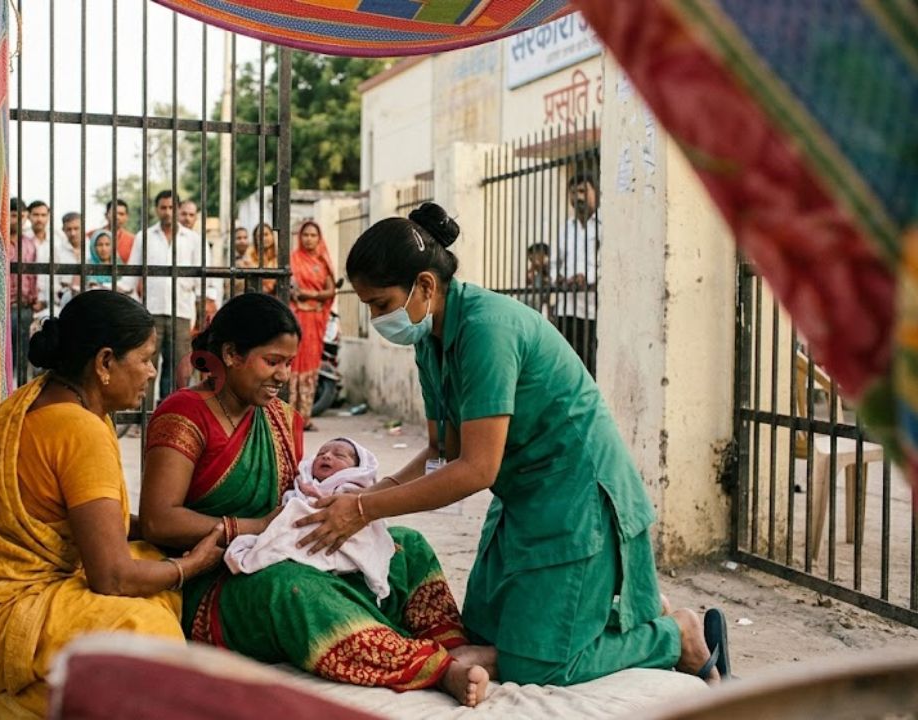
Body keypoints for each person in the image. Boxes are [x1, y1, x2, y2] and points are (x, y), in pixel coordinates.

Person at [297, 202, 728, 688]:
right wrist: (367, 496)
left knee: (537, 667)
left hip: (576, 497)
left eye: (381, 304)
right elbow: (442, 451)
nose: (377, 318)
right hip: (522, 498)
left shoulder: (488, 330)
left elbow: (475, 469)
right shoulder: (429, 340)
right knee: (480, 634)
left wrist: (363, 510)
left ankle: (676, 635)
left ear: (425, 286)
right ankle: (601, 616)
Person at [140, 292, 493, 707]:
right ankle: (434, 668)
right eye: (272, 362)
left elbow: (294, 496)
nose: (283, 375)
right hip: (218, 579)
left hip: (282, 551)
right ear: (232, 354)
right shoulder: (185, 414)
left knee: (405, 546)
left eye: (288, 363)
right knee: (294, 590)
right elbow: (158, 521)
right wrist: (254, 527)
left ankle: (451, 645)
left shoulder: (280, 417)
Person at [0, 290, 226, 719]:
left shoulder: (43, 398)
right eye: (145, 358)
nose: (152, 371)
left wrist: (164, 533)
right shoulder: (80, 429)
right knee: (151, 634)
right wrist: (191, 565)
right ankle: (2, 706)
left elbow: (89, 523)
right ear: (104, 362)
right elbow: (112, 577)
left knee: (151, 572)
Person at [224, 437, 394, 603]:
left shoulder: (354, 488)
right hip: (303, 534)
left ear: (357, 469)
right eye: (321, 454)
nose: (326, 456)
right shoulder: (303, 486)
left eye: (339, 455)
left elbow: (361, 517)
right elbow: (288, 511)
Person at [124, 190, 202, 403]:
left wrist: (205, 303)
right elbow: (131, 274)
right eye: (163, 208)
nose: (167, 212)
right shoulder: (144, 237)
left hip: (182, 311)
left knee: (178, 368)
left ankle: (173, 412)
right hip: (151, 312)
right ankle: (144, 414)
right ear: (156, 209)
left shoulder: (193, 240)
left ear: (178, 209)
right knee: (145, 366)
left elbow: (203, 277)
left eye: (171, 207)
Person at [289, 220, 336, 429]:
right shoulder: (293, 260)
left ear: (319, 238)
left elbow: (331, 290)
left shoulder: (323, 262)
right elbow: (289, 288)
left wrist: (310, 294)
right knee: (292, 363)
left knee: (310, 365)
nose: (309, 239)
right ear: (300, 237)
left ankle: (305, 417)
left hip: (315, 321)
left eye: (313, 235)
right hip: (297, 318)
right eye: (305, 235)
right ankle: (289, 417)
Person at [555, 172, 599, 375]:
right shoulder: (566, 228)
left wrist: (587, 278)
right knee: (567, 365)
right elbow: (555, 262)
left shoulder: (605, 226)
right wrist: (558, 277)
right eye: (573, 192)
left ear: (596, 192)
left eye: (582, 191)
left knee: (590, 365)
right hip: (566, 308)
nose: (577, 197)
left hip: (592, 309)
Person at [27, 201, 80, 310]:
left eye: (43, 215)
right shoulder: (23, 239)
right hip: (32, 296)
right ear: (28, 216)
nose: (39, 219)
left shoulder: (57, 238)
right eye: (36, 215)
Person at [8, 197, 40, 374]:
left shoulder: (29, 244)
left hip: (25, 307)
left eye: (22, 217)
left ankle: (17, 387)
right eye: (14, 216)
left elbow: (33, 276)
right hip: (3, 307)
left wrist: (34, 299)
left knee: (21, 355)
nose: (18, 221)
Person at [91, 199, 136, 264]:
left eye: (121, 214)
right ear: (106, 215)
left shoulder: (132, 240)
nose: (117, 217)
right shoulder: (91, 236)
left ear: (126, 217)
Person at [249, 222, 279, 295]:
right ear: (255, 239)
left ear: (272, 236)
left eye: (266, 234)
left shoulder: (279, 256)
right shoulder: (250, 255)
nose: (263, 238)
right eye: (260, 236)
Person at [524, 242, 551, 317]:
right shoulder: (533, 270)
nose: (531, 260)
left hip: (539, 306)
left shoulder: (548, 270)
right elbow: (529, 281)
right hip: (531, 304)